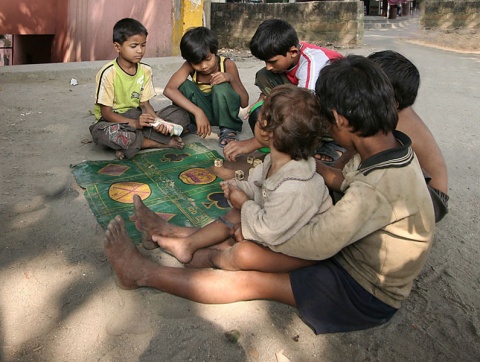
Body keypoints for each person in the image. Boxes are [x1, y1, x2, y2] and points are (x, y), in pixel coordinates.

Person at [104, 55, 435, 334]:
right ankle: (175, 236)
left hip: (362, 291)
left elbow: (320, 241)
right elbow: (348, 183)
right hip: (347, 252)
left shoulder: (377, 188)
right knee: (245, 239)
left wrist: (250, 225)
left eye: (327, 125)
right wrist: (312, 175)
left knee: (249, 273)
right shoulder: (388, 149)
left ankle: (142, 273)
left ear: (340, 120)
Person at [148, 84, 332, 270]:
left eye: (263, 108)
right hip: (278, 227)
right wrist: (237, 187)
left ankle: (193, 252)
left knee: (243, 245)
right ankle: (186, 243)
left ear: (266, 128)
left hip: (297, 248)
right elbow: (257, 186)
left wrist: (244, 203)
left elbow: (269, 231)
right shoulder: (275, 161)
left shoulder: (296, 187)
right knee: (236, 216)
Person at [330, 50, 449, 222]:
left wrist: (331, 173)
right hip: (423, 187)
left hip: (432, 198)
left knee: (353, 190)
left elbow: (357, 156)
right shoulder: (393, 111)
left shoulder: (391, 123)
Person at [223, 18, 343, 164]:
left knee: (301, 123)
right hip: (306, 96)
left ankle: (333, 143)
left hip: (336, 109)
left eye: (272, 62)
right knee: (264, 76)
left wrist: (255, 142)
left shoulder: (312, 65)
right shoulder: (289, 52)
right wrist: (265, 97)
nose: (268, 66)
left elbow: (304, 109)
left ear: (292, 52)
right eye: (265, 61)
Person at [90, 18, 188, 160]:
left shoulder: (145, 70)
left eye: (143, 45)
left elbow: (145, 105)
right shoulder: (108, 73)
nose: (140, 51)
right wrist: (135, 124)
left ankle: (131, 144)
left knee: (181, 114)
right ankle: (157, 143)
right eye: (134, 46)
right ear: (117, 47)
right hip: (115, 121)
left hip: (138, 117)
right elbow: (106, 113)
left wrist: (159, 123)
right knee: (101, 133)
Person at [163, 26, 249, 148]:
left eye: (208, 59)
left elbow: (244, 102)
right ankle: (190, 123)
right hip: (201, 114)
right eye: (197, 62)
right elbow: (169, 89)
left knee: (221, 87)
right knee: (183, 85)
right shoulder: (189, 66)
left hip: (223, 114)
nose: (203, 66)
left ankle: (228, 129)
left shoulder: (227, 64)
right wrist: (198, 113)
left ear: (215, 52)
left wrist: (231, 79)